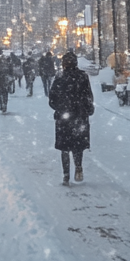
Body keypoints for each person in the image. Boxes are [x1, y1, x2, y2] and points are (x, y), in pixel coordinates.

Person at [48, 50, 94, 185]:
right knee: (78, 145)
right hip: (80, 116)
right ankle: (78, 166)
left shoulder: (60, 77)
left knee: (64, 148)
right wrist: (87, 109)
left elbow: (52, 98)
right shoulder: (82, 76)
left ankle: (66, 174)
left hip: (64, 117)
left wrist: (59, 108)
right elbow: (88, 96)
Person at [0, 48, 14, 113]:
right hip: (6, 78)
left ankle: (1, 104)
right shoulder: (8, 59)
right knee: (5, 92)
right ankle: (5, 104)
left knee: (0, 92)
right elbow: (11, 69)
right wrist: (11, 76)